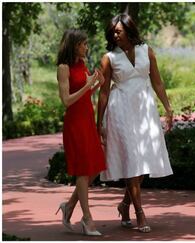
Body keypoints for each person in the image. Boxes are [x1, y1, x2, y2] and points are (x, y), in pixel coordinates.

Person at [97, 14, 173, 233]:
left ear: (129, 31)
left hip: (145, 110)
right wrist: (99, 123)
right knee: (132, 159)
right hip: (120, 110)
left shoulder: (146, 51)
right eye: (112, 31)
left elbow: (157, 82)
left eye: (118, 31)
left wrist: (168, 108)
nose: (114, 34)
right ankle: (140, 214)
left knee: (142, 163)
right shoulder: (109, 58)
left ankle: (124, 205)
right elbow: (103, 94)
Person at [55, 29, 106, 236]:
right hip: (75, 124)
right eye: (84, 43)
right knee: (84, 171)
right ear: (75, 45)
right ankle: (87, 219)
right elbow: (66, 101)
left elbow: (83, 96)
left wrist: (96, 85)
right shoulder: (63, 68)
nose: (87, 47)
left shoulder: (81, 65)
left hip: (86, 121)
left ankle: (68, 206)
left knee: (95, 168)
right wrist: (87, 86)